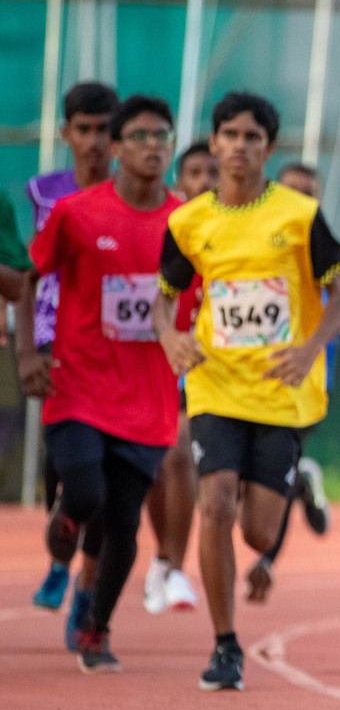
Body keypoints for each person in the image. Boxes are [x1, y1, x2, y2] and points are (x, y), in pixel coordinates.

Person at [153, 91, 340, 691]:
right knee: (213, 504)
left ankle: (289, 483)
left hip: (282, 388)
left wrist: (311, 347)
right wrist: (170, 337)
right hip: (215, 382)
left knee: (258, 533)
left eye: (253, 138)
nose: (240, 147)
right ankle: (225, 645)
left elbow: (339, 293)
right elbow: (164, 298)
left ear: (268, 147)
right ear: (214, 143)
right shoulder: (189, 222)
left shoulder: (297, 214)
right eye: (230, 136)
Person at [17, 95, 183, 671]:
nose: (152, 146)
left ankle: (96, 627)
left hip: (149, 396)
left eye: (162, 135)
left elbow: (207, 295)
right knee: (85, 496)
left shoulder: (188, 222)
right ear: (116, 148)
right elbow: (28, 279)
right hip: (78, 384)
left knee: (123, 524)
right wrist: (25, 354)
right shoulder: (78, 213)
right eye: (137, 136)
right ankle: (62, 534)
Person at [25, 81, 118, 636]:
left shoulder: (140, 193)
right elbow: (30, 268)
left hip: (117, 352)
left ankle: (86, 587)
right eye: (82, 130)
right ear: (65, 133)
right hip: (52, 344)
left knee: (110, 481)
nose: (93, 141)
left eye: (103, 130)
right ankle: (60, 559)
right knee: (58, 472)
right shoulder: (44, 193)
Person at [244, 161, 334, 604]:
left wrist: (311, 352)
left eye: (310, 193)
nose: (302, 201)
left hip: (301, 383)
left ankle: (266, 561)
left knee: (267, 476)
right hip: (242, 380)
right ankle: (300, 479)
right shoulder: (256, 240)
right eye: (294, 192)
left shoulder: (320, 247)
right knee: (245, 479)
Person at [141, 142, 219, 615]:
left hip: (212, 364)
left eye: (212, 171)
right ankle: (162, 557)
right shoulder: (167, 229)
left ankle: (173, 567)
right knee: (152, 464)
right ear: (179, 183)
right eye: (194, 172)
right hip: (153, 357)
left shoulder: (238, 229)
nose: (205, 180)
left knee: (177, 454)